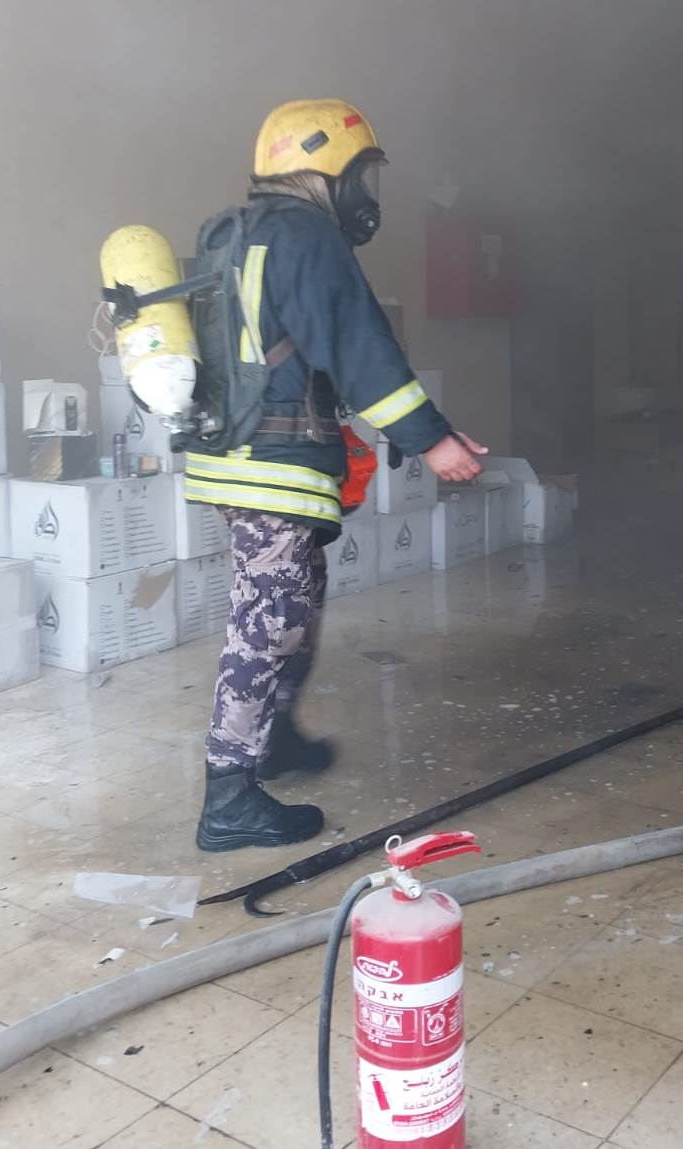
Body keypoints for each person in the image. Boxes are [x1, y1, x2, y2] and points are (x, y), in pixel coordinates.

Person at [186, 98, 486, 853]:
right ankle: (229, 797)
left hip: (237, 457)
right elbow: (358, 347)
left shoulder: (239, 233)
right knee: (266, 623)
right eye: (359, 176)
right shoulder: (304, 235)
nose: (364, 194)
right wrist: (431, 441)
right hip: (269, 465)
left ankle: (274, 739)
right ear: (325, 172)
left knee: (296, 604)